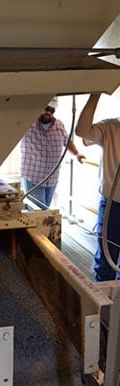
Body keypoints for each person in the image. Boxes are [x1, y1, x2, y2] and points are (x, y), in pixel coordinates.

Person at [75, 93, 120, 282]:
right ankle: (104, 308)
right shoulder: (111, 127)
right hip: (112, 206)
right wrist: (95, 94)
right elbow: (82, 131)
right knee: (106, 260)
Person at [20, 98, 85, 210]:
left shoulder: (59, 125)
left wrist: (76, 153)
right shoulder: (27, 124)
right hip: (33, 178)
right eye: (46, 109)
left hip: (52, 179)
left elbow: (67, 141)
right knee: (40, 211)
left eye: (52, 110)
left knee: (45, 209)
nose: (48, 113)